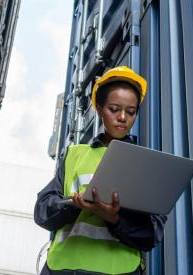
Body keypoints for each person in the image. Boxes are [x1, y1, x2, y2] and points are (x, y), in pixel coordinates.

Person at [34, 66, 167, 275]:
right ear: (99, 107)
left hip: (118, 271)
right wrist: (73, 205)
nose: (123, 117)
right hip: (64, 269)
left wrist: (114, 219)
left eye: (131, 112)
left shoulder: (145, 163)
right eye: (114, 109)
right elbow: (42, 212)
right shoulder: (74, 155)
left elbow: (151, 235)